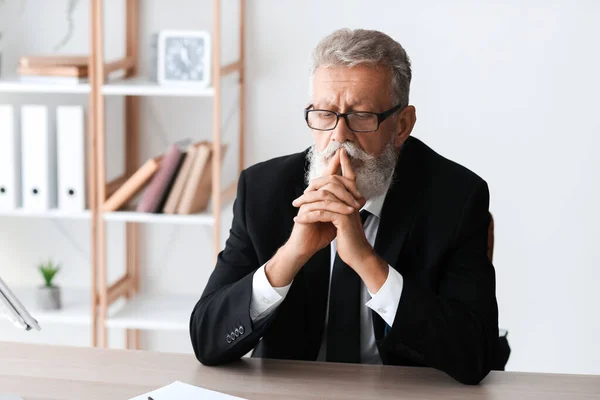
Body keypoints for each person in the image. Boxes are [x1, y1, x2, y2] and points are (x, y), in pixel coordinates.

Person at [189, 28, 499, 385]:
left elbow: (475, 355)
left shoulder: (457, 197)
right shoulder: (263, 190)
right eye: (325, 114)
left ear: (401, 125)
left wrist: (368, 263)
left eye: (361, 116)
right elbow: (207, 340)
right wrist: (290, 255)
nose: (339, 137)